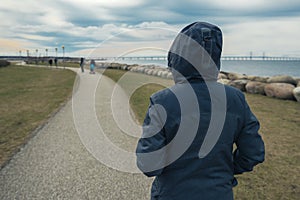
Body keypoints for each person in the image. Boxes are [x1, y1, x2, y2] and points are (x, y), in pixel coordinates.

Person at [136, 22, 265, 200]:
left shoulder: (162, 101)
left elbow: (149, 164)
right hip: (219, 193)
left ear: (177, 57)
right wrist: (225, 170)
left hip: (172, 193)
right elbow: (253, 152)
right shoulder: (236, 99)